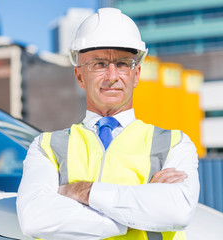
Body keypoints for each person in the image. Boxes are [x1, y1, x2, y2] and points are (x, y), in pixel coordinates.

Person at [16, 7, 199, 240]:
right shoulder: (47, 147)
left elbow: (178, 211)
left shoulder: (174, 143)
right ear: (80, 76)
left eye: (123, 64)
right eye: (99, 64)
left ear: (137, 74)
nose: (112, 76)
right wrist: (140, 207)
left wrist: (82, 191)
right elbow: (35, 218)